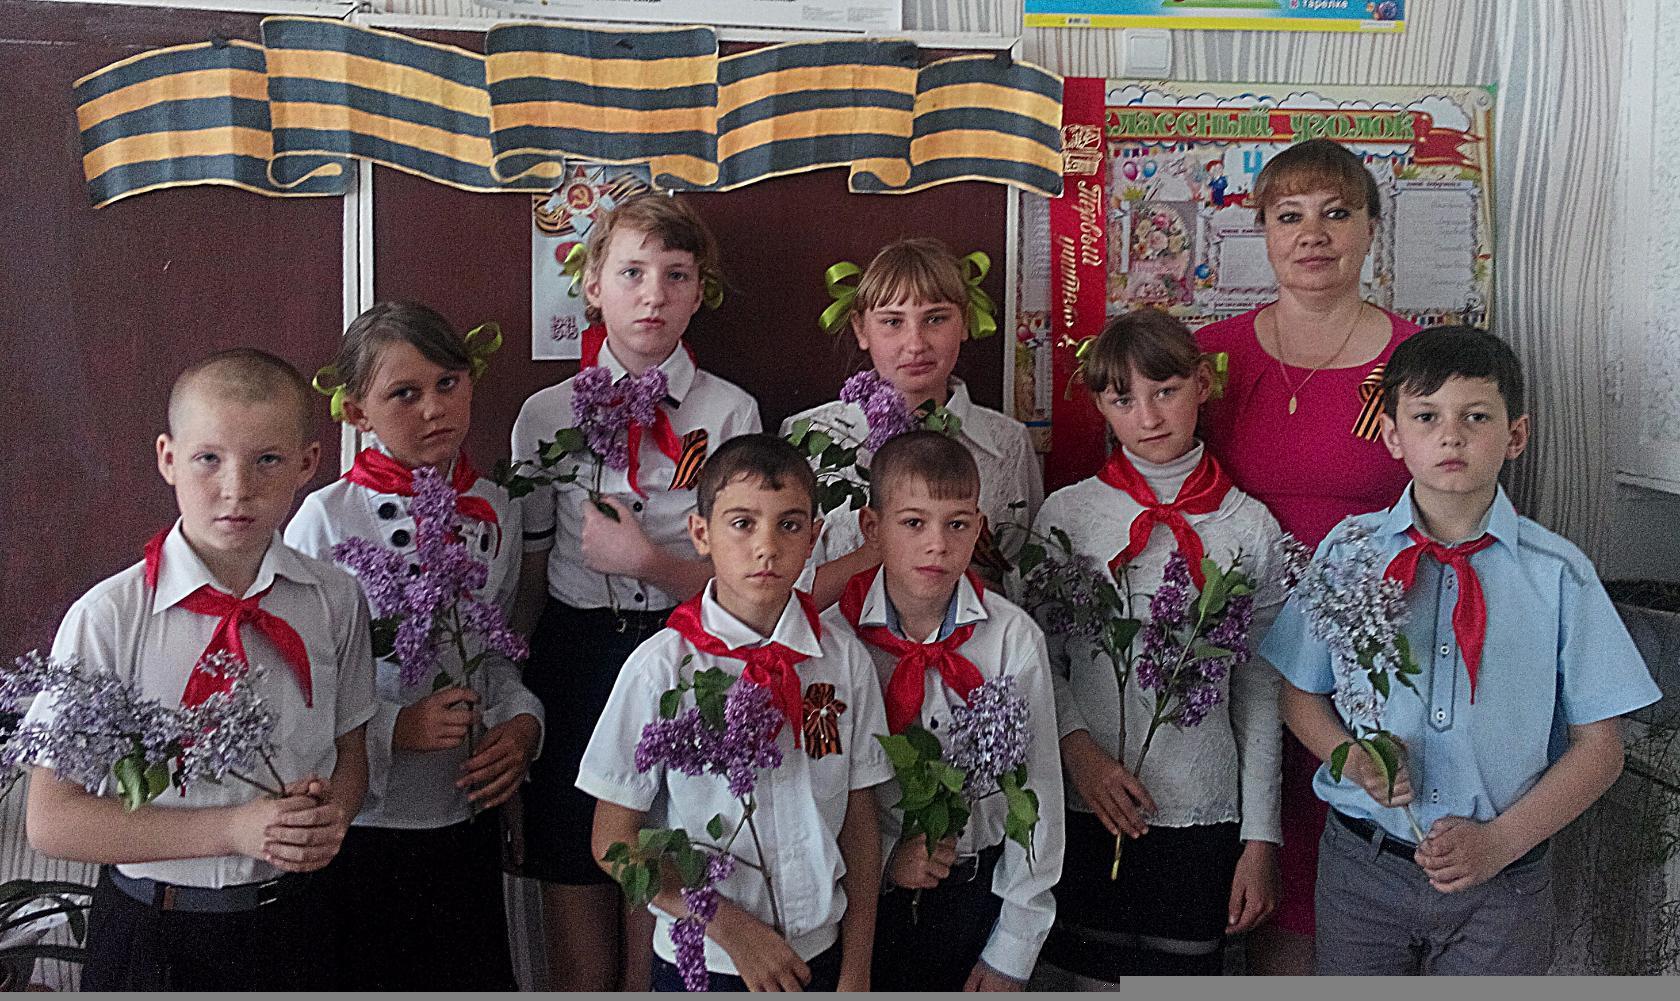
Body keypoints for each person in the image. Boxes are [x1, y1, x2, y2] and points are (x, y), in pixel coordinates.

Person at [1263, 326, 1662, 975]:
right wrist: (1350, 755)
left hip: (1503, 884)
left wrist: (1501, 841)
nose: (1451, 436)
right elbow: (1297, 692)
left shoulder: (1560, 574)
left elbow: (1601, 748)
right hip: (1364, 870)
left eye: (1476, 417)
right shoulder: (1350, 552)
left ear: (1516, 435)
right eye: (1426, 417)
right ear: (1392, 435)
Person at [22, 349, 375, 990]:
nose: (237, 488)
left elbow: (351, 751)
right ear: (168, 458)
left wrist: (332, 813)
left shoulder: (334, 599)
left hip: (300, 920)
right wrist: (234, 829)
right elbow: (53, 821)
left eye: (267, 460)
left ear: (307, 463)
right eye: (208, 458)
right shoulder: (110, 616)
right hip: (154, 932)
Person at [511, 193, 761, 990]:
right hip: (577, 651)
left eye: (676, 275)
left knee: (659, 882)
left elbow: (748, 579)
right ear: (593, 286)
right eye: (632, 273)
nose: (653, 294)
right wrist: (516, 690)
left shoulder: (729, 411)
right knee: (574, 870)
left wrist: (647, 560)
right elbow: (529, 572)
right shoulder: (545, 414)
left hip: (685, 652)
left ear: (699, 293)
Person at [1194, 138, 1419, 973]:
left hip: (1368, 667)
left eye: (1337, 213)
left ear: (1370, 230)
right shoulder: (1211, 358)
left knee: (1341, 883)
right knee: (1241, 873)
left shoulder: (1415, 364)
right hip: (1231, 662)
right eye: (1290, 215)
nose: (1313, 234)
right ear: (1263, 231)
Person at [286, 302, 543, 990]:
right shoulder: (325, 519)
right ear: (357, 413)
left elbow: (495, 650)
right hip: (362, 824)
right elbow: (294, 685)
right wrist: (395, 725)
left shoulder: (496, 507)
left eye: (448, 383)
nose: (434, 408)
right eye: (404, 393)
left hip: (463, 813)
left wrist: (522, 725)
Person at [579, 434, 892, 991]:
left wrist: (858, 968)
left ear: (814, 537)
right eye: (742, 524)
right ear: (701, 534)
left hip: (821, 955)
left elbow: (860, 823)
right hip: (707, 962)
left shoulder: (842, 662)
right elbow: (612, 843)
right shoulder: (660, 671)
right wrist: (729, 927)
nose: (766, 547)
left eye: (789, 525)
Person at [1030, 310, 1285, 983]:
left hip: (1200, 809)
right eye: (1123, 399)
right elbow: (1038, 660)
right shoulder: (1067, 514)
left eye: (1165, 391)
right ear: (1099, 405)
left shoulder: (1249, 527)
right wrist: (1080, 753)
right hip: (1087, 801)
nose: (1147, 416)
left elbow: (1260, 689)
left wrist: (1261, 838)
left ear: (1203, 384)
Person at [830, 430, 1064, 991]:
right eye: (914, 523)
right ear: (872, 528)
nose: (936, 544)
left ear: (978, 529)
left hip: (977, 897)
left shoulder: (1011, 639)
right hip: (862, 902)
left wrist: (1013, 950)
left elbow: (1040, 796)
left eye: (956, 524)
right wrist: (889, 861)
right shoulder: (836, 641)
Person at [781, 237, 1043, 607]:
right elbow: (783, 591)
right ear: (861, 329)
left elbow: (1025, 581)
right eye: (892, 322)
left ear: (965, 321)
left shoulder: (1007, 443)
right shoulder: (811, 437)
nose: (916, 343)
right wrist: (881, 546)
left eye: (935, 319)